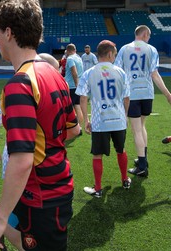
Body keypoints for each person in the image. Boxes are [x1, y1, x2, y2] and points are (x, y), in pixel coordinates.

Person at [0, 1, 80, 250]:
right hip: (57, 187)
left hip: (41, 197)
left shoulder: (20, 84)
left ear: (8, 33)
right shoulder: (54, 75)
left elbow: (22, 161)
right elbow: (73, 129)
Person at [114, 25, 171, 177]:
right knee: (142, 126)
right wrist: (168, 95)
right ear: (144, 34)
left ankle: (142, 165)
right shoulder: (152, 49)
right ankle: (143, 158)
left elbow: (118, 72)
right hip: (147, 94)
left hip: (132, 95)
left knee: (136, 129)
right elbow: (155, 75)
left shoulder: (124, 49)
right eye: (149, 36)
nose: (149, 39)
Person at [76, 40, 131, 198]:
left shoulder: (89, 73)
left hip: (100, 122)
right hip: (119, 120)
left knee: (97, 155)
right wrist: (125, 116)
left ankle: (98, 189)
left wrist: (86, 120)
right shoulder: (120, 72)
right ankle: (125, 179)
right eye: (114, 53)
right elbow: (127, 98)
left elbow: (83, 99)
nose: (114, 56)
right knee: (121, 150)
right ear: (108, 54)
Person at [65, 43, 84, 134]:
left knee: (69, 108)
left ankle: (71, 128)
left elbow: (74, 72)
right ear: (75, 50)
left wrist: (76, 84)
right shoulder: (79, 58)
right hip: (78, 85)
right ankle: (79, 128)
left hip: (71, 86)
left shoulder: (70, 58)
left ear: (68, 50)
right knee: (78, 106)